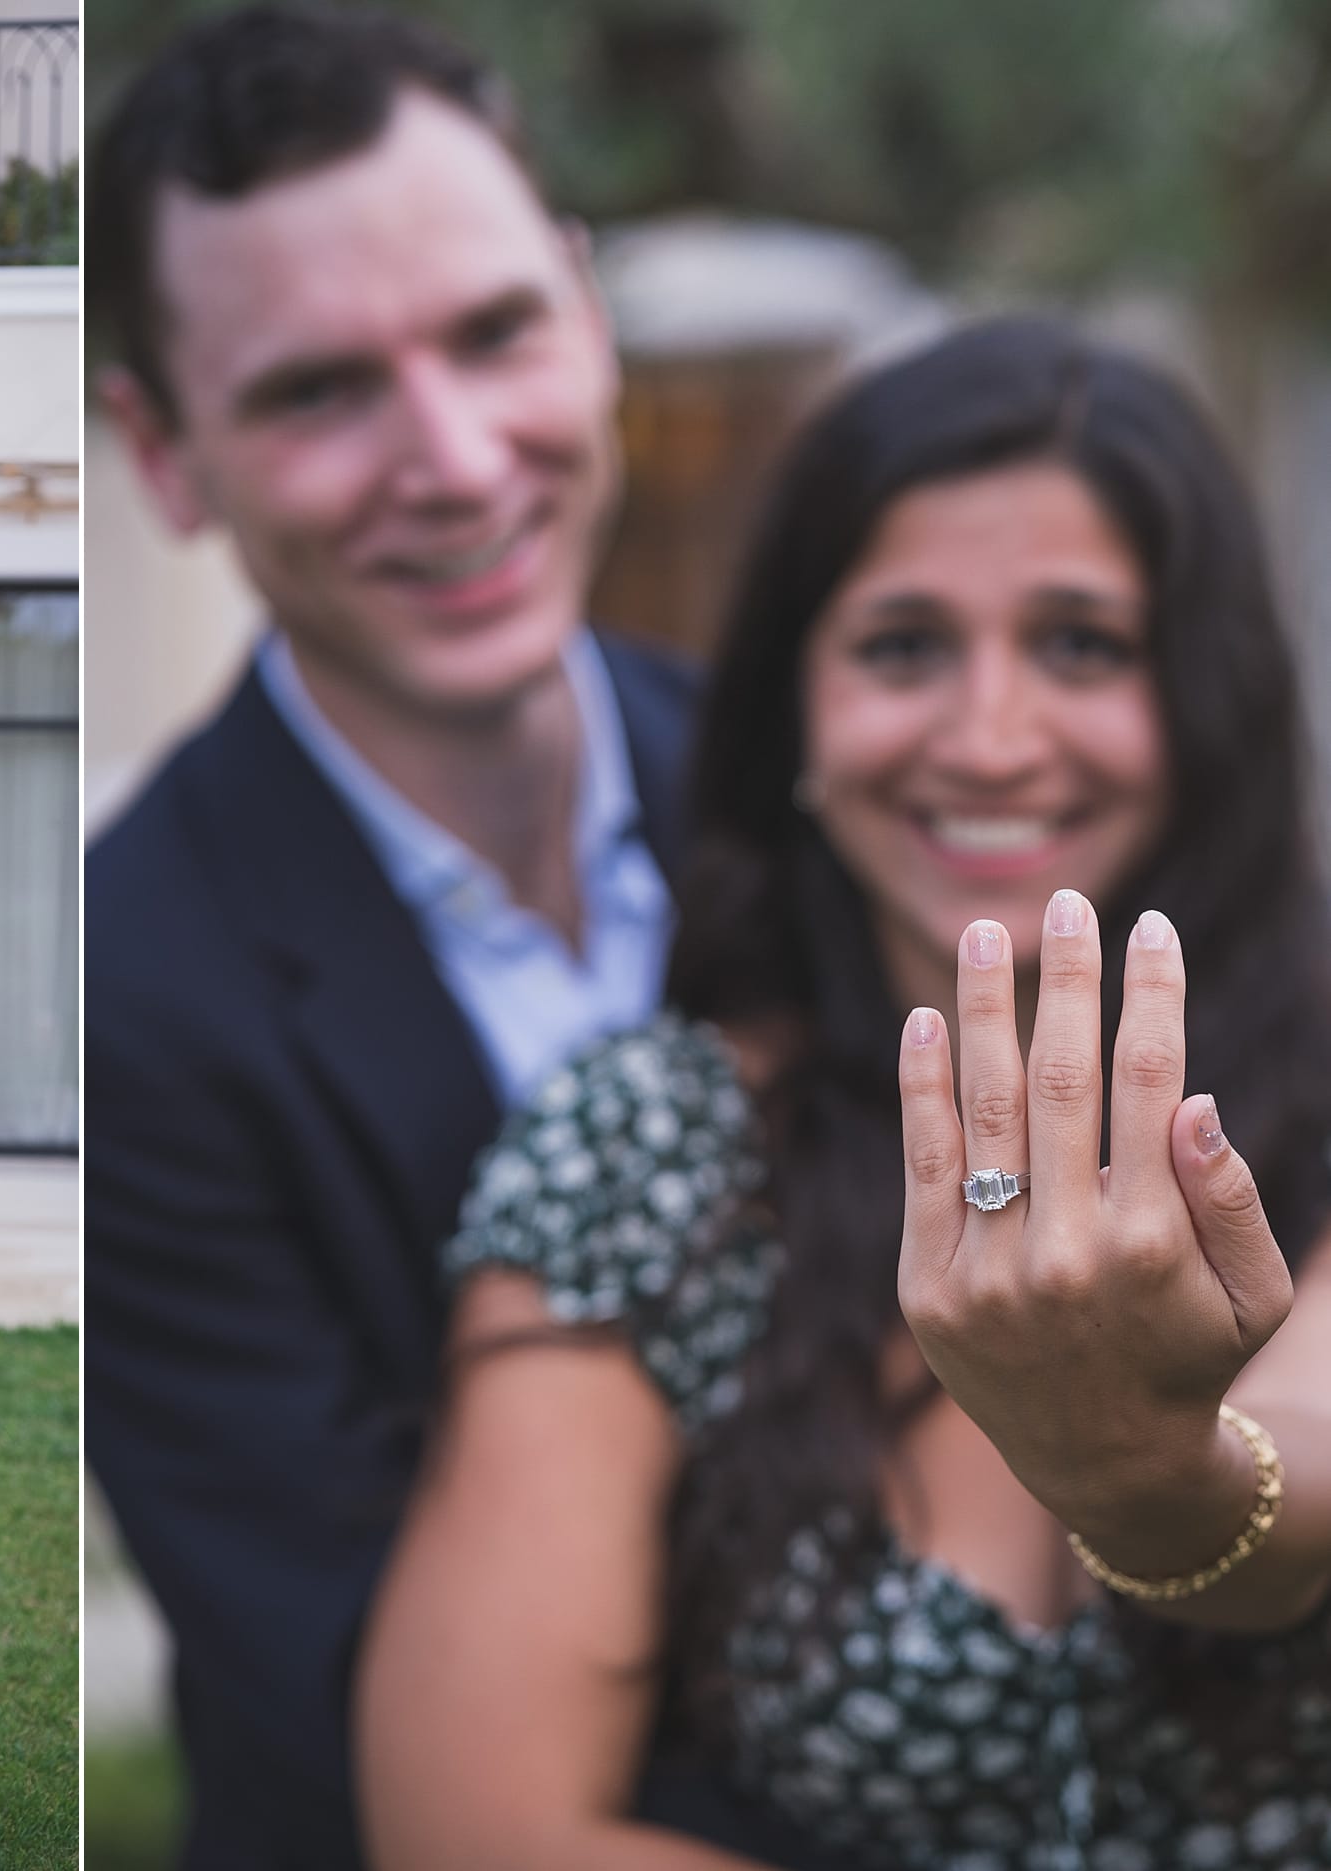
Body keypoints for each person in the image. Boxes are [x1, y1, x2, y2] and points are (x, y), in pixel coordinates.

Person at [356, 319, 1331, 1868]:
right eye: (904, 646)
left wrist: (1149, 1475)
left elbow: (1299, 1478)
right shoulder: (653, 1147)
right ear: (795, 707)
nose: (991, 737)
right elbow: (479, 1824)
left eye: (1082, 643)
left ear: (1202, 698)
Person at [85, 9, 833, 1866]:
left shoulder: (818, 797)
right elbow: (361, 1698)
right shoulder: (121, 1004)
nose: (454, 455)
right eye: (319, 390)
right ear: (165, 454)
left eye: (496, 332)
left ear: (585, 310)